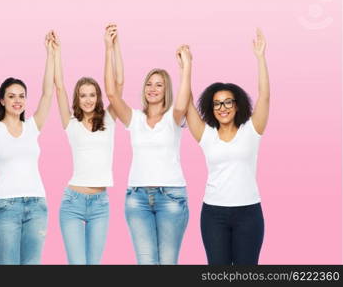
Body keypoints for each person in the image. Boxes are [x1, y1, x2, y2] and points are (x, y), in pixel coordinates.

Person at [104, 24, 192, 264]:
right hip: (137, 198)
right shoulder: (135, 119)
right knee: (146, 263)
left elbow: (183, 105)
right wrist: (109, 48)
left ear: (167, 90)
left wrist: (186, 68)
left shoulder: (174, 117)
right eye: (149, 84)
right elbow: (111, 94)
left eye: (159, 84)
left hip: (171, 197)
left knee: (167, 262)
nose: (152, 89)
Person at [185, 29, 270, 265]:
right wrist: (186, 67)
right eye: (217, 104)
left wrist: (260, 58)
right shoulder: (206, 134)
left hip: (249, 213)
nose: (223, 107)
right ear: (211, 109)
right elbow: (188, 104)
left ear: (237, 104)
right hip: (214, 214)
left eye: (228, 102)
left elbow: (264, 97)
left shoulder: (251, 130)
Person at [0, 31, 56, 265]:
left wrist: (50, 54)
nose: (17, 100)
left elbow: (47, 93)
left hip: (37, 205)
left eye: (22, 96)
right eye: (11, 96)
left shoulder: (32, 126)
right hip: (6, 206)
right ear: (1, 100)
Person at [54, 32, 117, 264]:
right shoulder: (71, 124)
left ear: (98, 97)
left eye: (92, 95)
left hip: (100, 203)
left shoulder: (109, 120)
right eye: (83, 95)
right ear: (77, 99)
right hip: (73, 201)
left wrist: (109, 48)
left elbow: (117, 86)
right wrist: (56, 52)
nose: (88, 100)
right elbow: (59, 87)